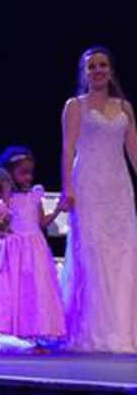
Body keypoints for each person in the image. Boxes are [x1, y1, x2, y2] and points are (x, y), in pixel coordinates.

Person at [60, 46, 137, 352]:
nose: (98, 70)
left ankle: (123, 330)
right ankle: (92, 330)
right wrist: (68, 188)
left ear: (111, 70)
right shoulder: (75, 106)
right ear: (84, 73)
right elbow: (68, 148)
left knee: (123, 253)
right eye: (92, 66)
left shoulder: (125, 107)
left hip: (118, 187)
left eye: (103, 65)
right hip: (88, 185)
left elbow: (133, 149)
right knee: (92, 255)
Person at [0, 146, 65, 349]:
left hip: (34, 246)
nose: (28, 177)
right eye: (23, 172)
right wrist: (6, 188)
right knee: (11, 287)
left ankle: (34, 328)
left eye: (30, 172)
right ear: (10, 174)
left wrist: (57, 211)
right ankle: (10, 332)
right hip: (12, 246)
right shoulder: (4, 197)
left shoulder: (35, 195)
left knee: (34, 288)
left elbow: (41, 222)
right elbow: (2, 215)